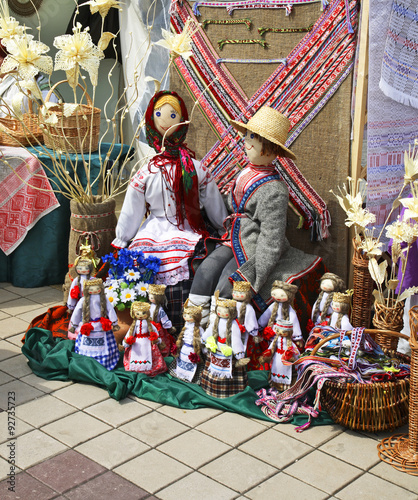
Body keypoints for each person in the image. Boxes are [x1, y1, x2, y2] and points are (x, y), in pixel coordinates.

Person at [188, 106, 321, 321]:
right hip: (232, 238)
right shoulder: (245, 173)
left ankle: (217, 331)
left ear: (269, 150)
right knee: (205, 271)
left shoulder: (275, 190)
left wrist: (257, 275)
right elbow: (233, 204)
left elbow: (271, 238)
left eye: (254, 138)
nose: (246, 141)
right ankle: (193, 323)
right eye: (248, 135)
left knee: (227, 282)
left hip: (252, 245)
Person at [112, 90, 227, 328]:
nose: (165, 120)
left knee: (143, 257)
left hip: (155, 230)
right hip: (188, 230)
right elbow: (215, 207)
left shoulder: (148, 170)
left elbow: (132, 210)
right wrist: (223, 226)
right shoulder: (195, 167)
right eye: (160, 114)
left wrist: (123, 238)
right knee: (186, 260)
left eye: (172, 114)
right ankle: (180, 321)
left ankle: (148, 322)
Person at [69, 278, 120, 370]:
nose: (94, 291)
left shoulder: (103, 299)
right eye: (91, 289)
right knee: (87, 342)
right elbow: (77, 312)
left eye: (97, 289)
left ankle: (103, 362)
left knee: (104, 343)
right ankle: (88, 361)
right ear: (87, 290)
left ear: (101, 288)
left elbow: (110, 310)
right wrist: (74, 324)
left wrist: (114, 322)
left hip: (101, 325)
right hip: (89, 325)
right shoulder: (83, 300)